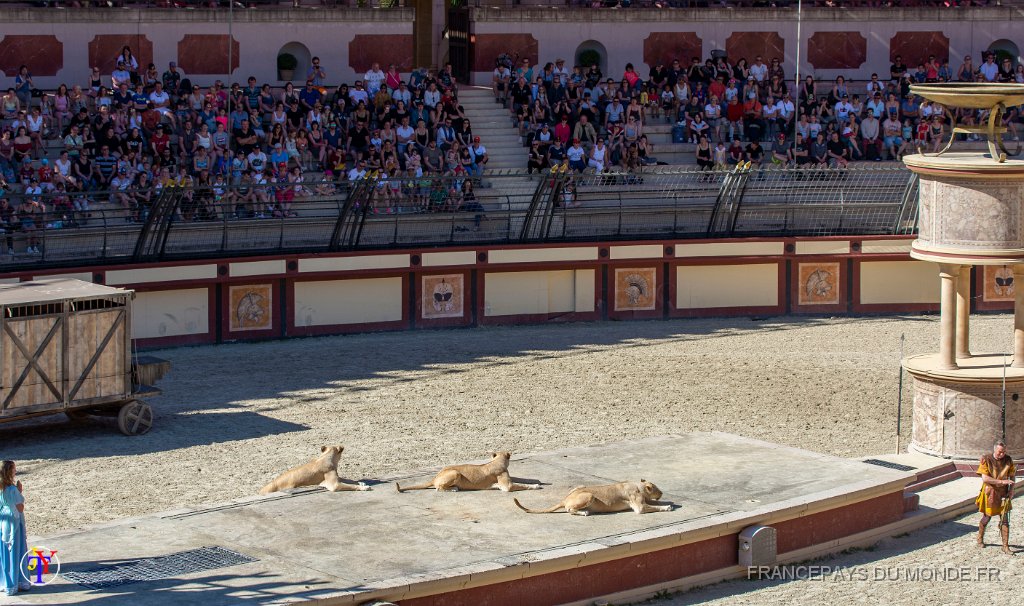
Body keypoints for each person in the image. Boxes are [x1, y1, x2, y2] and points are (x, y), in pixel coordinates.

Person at [976, 441, 1015, 554]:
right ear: (995, 450)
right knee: (987, 517)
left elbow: (1012, 475)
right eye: (999, 452)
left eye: (1003, 452)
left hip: (1004, 493)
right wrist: (1002, 481)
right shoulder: (986, 459)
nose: (1002, 454)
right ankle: (980, 537)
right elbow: (985, 479)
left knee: (1005, 520)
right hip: (990, 493)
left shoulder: (1008, 460)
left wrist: (1012, 490)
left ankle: (1005, 546)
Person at [0, 460, 29, 596]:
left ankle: (6, 582)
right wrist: (20, 491)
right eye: (14, 469)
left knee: (5, 551)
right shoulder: (12, 490)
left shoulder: (1, 488)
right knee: (17, 551)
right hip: (15, 520)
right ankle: (18, 582)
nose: (15, 471)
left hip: (3, 521)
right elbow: (20, 507)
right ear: (9, 471)